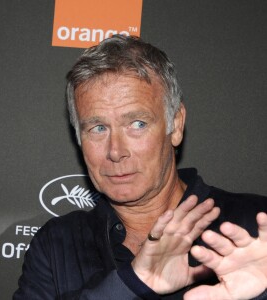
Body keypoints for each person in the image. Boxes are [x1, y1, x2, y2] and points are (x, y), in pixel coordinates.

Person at [13, 35, 267, 299]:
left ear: (176, 125)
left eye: (137, 124)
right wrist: (130, 284)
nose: (116, 151)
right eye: (98, 128)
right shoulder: (56, 245)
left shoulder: (256, 224)